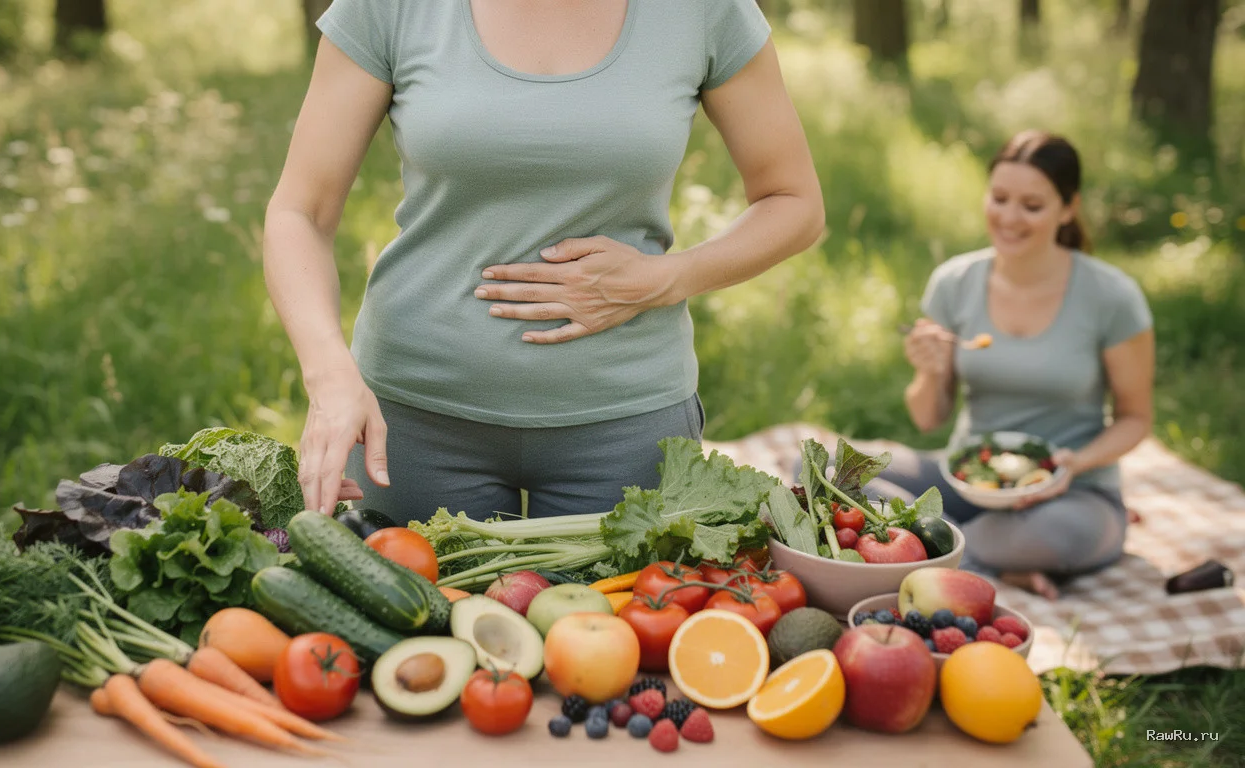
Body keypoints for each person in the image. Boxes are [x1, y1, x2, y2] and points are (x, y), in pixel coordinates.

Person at [263, 0, 825, 524]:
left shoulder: (703, 11)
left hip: (624, 422)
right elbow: (300, 213)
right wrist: (329, 375)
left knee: (629, 630)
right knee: (414, 628)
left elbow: (794, 202)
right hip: (412, 421)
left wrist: (662, 279)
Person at [867, 130, 1155, 599]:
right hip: (967, 479)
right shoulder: (955, 282)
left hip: (1071, 494)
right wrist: (931, 371)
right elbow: (927, 418)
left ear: (1068, 208)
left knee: (1060, 534)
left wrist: (1073, 465)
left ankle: (926, 547)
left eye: (1032, 205)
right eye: (999, 198)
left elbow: (1136, 418)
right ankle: (983, 557)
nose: (1009, 218)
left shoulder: (1112, 296)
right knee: (823, 468)